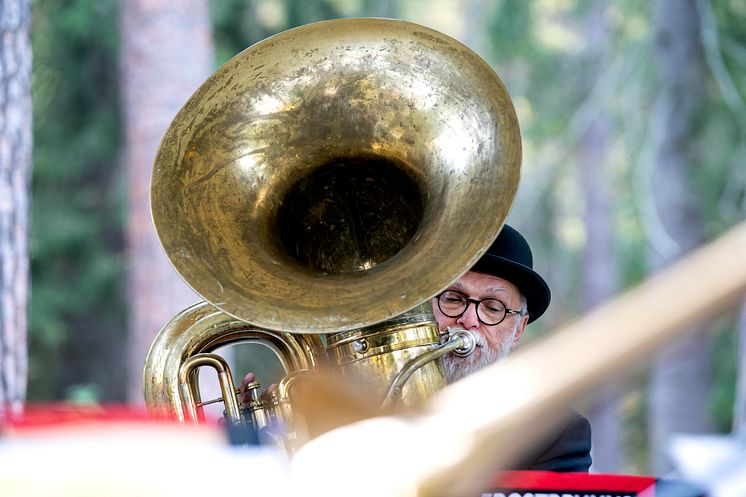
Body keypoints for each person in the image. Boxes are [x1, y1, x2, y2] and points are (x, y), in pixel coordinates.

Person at [433, 223, 592, 472]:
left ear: (519, 329)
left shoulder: (556, 432)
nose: (469, 320)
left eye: (493, 308)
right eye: (453, 298)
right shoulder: (374, 400)